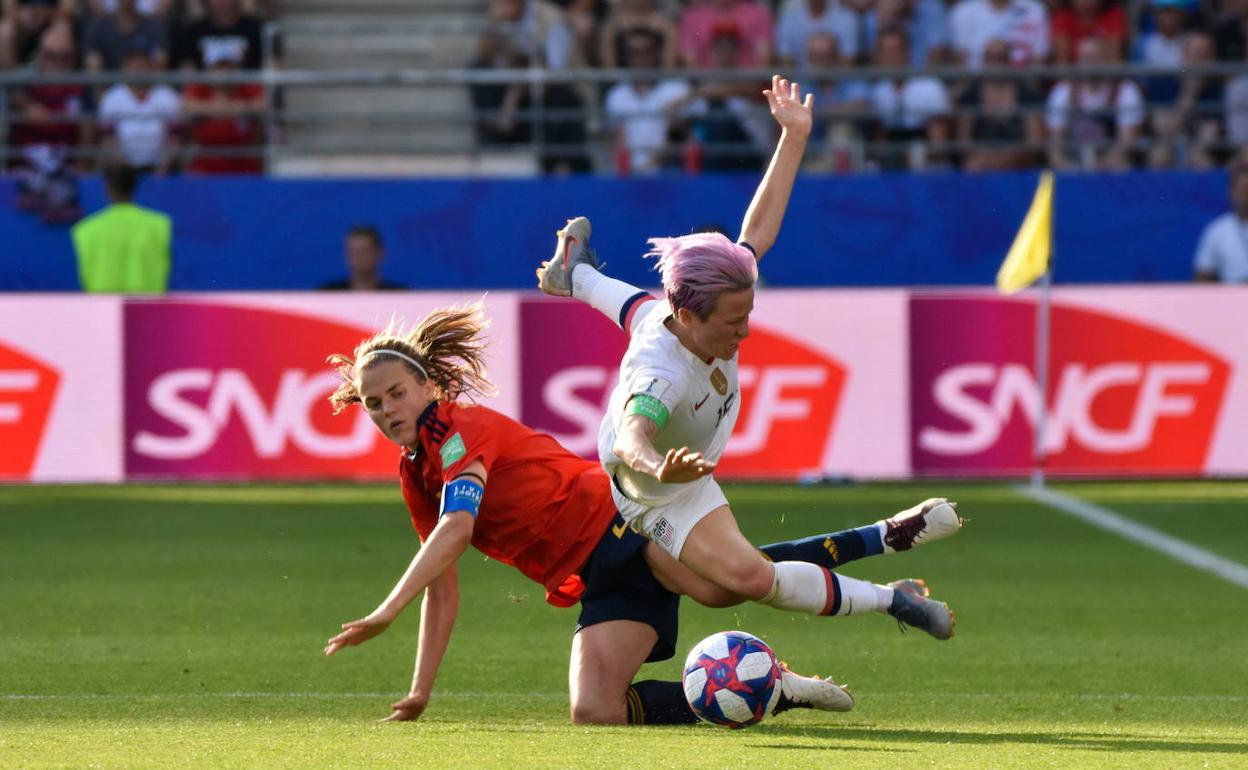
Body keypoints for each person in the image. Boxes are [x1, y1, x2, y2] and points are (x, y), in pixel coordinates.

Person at [320, 300, 963, 725]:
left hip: (616, 519)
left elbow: (458, 529)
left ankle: (884, 556)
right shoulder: (416, 474)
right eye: (374, 403)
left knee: (726, 583)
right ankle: (775, 689)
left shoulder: (458, 431)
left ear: (430, 386)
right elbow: (443, 577)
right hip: (593, 576)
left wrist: (383, 613)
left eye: (397, 392)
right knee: (595, 712)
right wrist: (422, 687)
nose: (387, 410)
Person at [536, 76, 960, 652]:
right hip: (651, 489)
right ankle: (894, 595)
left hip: (684, 471)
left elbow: (755, 233)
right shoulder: (660, 369)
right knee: (752, 578)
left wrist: (793, 137)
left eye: (749, 313)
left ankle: (574, 271)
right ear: (686, 317)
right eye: (733, 322)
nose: (746, 330)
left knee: (720, 590)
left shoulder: (689, 302)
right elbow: (636, 432)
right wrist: (660, 468)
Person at [70, 163, 172, 293]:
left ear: (107, 188)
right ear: (134, 186)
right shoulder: (160, 225)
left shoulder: (85, 229)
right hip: (146, 307)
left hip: (102, 307)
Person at [97, 36, 181, 173]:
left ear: (153, 65)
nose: (139, 66)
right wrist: (127, 172)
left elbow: (174, 140)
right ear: (125, 65)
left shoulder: (167, 96)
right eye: (134, 61)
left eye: (144, 61)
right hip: (122, 172)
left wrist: (161, 172)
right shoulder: (112, 98)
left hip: (160, 171)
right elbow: (108, 141)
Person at [1193, 158, 1248, 283]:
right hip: (1231, 298)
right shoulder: (1217, 230)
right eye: (1243, 189)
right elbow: (1202, 276)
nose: (1246, 195)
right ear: (1231, 193)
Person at [319, 225, 406, 291]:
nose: (359, 258)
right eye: (354, 252)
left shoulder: (399, 296)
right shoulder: (328, 294)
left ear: (380, 254)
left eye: (364, 252)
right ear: (346, 256)